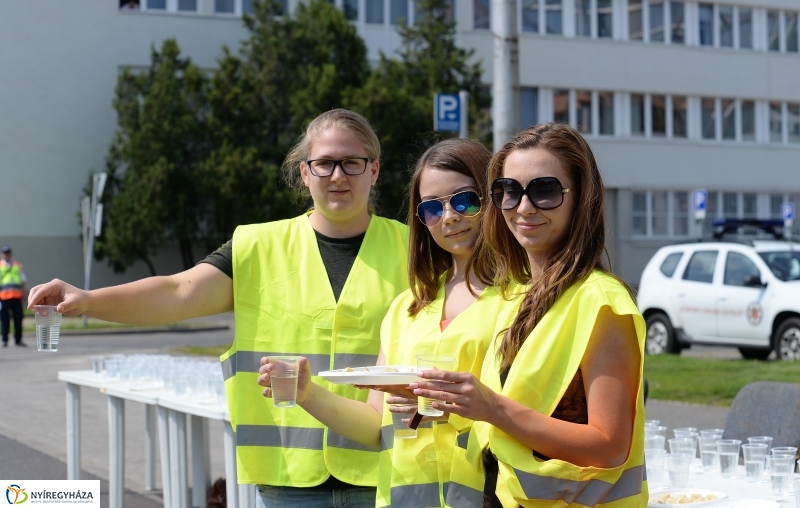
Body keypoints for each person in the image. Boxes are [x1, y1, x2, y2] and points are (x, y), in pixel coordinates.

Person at [27, 109, 410, 508]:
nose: (338, 175)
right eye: (324, 163)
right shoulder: (257, 247)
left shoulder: (413, 250)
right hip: (289, 480)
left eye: (352, 162)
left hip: (390, 471)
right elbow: (177, 291)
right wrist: (88, 300)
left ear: (374, 170)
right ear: (304, 173)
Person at [257, 139, 525, 508]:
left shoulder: (524, 299)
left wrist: (450, 410)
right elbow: (374, 424)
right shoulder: (407, 308)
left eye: (464, 200)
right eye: (432, 208)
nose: (449, 217)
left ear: (493, 198)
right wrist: (307, 393)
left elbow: (534, 412)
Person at [411, 123, 648, 507]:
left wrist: (493, 407)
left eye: (544, 190)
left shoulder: (601, 301)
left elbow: (609, 447)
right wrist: (451, 406)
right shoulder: (517, 296)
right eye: (509, 191)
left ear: (580, 197)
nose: (524, 207)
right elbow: (519, 421)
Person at [0, 246, 27, 347]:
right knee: (4, 320)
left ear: (10, 254)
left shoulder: (17, 265)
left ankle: (18, 339)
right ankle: (5, 340)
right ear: (2, 255)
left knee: (18, 319)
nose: (6, 255)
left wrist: (24, 293)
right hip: (3, 298)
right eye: (5, 253)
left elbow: (23, 280)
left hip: (16, 297)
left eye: (8, 253)